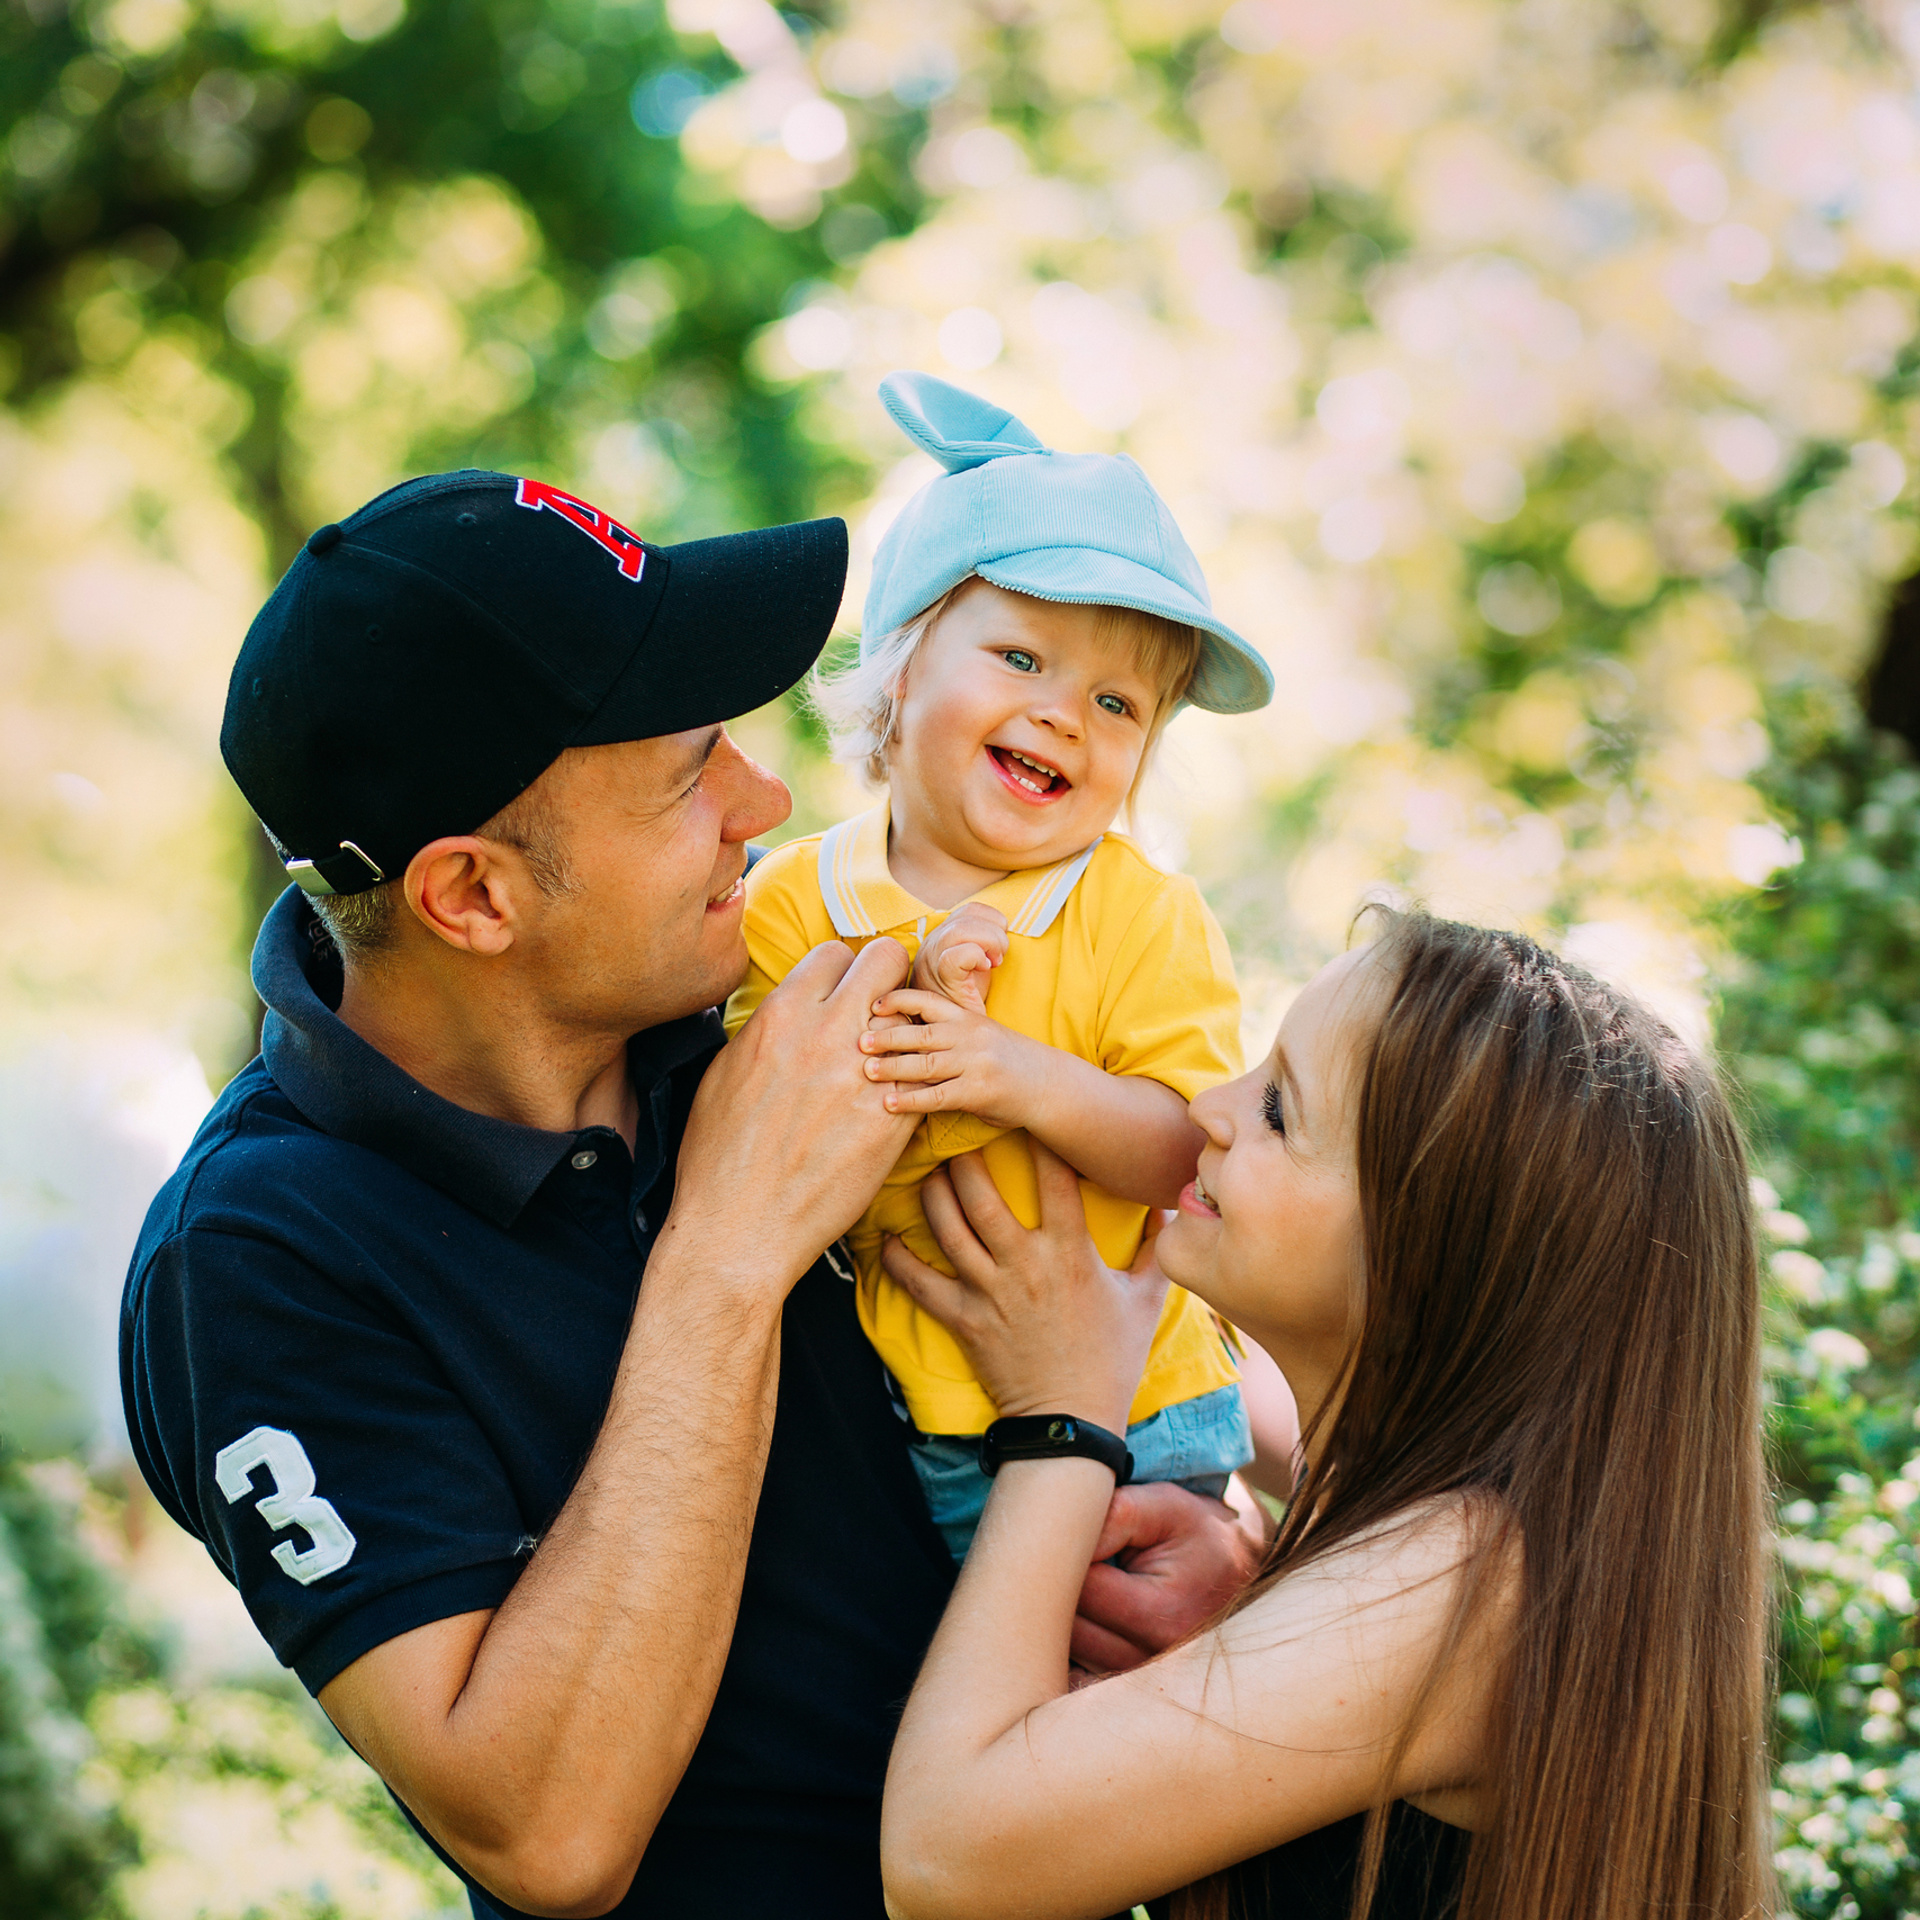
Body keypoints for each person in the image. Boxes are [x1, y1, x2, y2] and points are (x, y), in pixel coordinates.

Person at [118, 470, 1265, 1920]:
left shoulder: (754, 980)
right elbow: (546, 1835)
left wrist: (1221, 1539)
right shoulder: (255, 1260)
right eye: (688, 775)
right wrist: (727, 1254)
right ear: (474, 898)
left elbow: (1122, 1257)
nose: (767, 802)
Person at [878, 912, 1774, 1920]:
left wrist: (1062, 1419)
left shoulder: (1472, 1577)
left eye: (1277, 1111)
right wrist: (1255, 1585)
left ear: (1427, 1252)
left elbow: (944, 1861)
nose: (1207, 1107)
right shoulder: (1482, 1540)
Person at [726, 372, 1276, 1559]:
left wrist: (1010, 1072)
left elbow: (1187, 1151)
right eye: (1023, 659)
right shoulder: (790, 906)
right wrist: (907, 1009)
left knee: (1126, 1656)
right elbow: (755, 1139)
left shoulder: (1141, 915)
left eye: (1119, 702)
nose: (1067, 714)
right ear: (903, 664)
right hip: (909, 1415)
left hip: (1147, 1408)